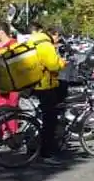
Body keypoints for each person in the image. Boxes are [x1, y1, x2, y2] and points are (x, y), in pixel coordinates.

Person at [28, 23, 67, 165]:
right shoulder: (45, 44)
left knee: (44, 116)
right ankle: (46, 153)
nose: (58, 41)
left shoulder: (34, 41)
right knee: (49, 120)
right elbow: (53, 65)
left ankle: (35, 144)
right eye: (58, 37)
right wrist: (62, 63)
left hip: (34, 84)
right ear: (54, 34)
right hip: (44, 85)